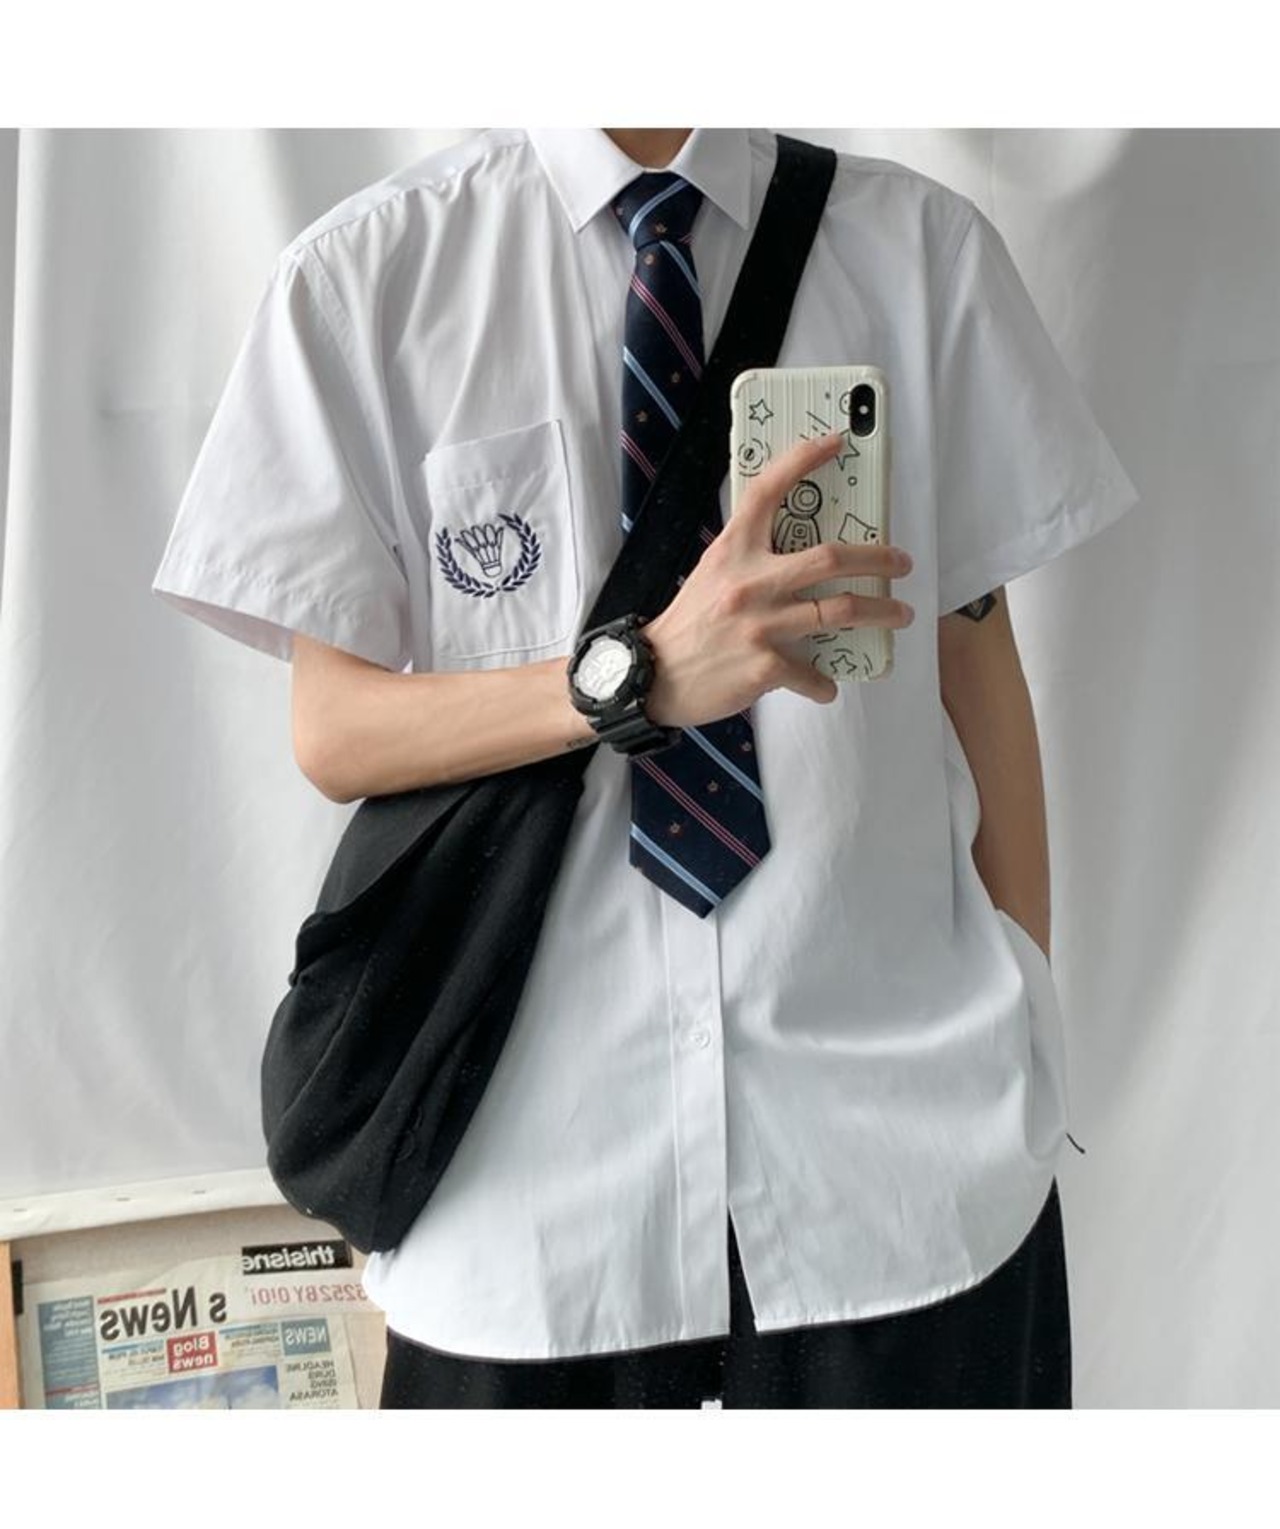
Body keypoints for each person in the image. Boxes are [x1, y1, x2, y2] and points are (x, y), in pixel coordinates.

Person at [151, 127, 1140, 1407]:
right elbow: (335, 730)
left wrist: (1024, 1009)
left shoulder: (915, 250)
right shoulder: (372, 278)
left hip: (903, 1158)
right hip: (530, 1187)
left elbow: (977, 663)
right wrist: (641, 675)